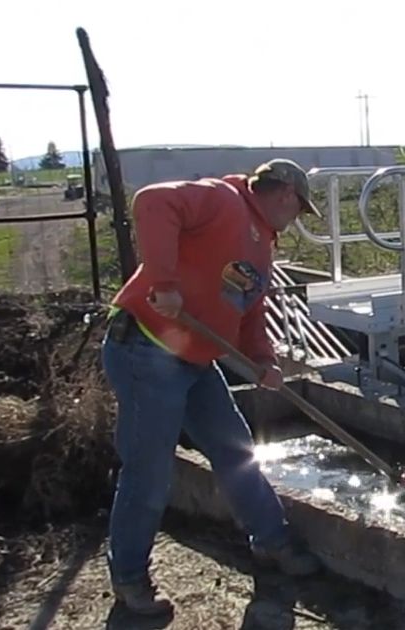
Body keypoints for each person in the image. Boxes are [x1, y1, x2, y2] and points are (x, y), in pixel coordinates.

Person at [100, 158, 324, 616]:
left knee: (236, 448)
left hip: (194, 357)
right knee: (150, 470)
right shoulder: (223, 200)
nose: (296, 218)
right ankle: (129, 577)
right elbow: (153, 201)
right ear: (286, 196)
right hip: (147, 346)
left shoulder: (263, 244)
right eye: (300, 210)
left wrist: (262, 359)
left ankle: (271, 539)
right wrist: (162, 282)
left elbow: (250, 309)